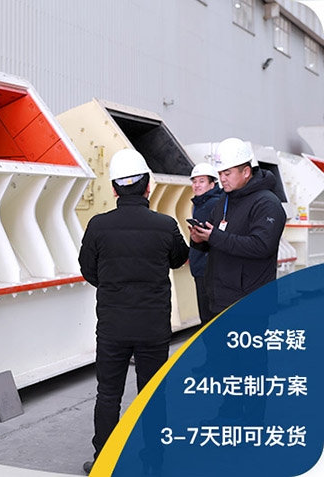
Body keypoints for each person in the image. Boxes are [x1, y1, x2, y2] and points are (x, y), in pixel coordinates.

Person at [79, 148, 189, 475]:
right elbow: (179, 259)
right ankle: (154, 460)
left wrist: (113, 286)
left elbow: (89, 271)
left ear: (114, 189)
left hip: (112, 325)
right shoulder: (165, 225)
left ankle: (104, 460)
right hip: (153, 327)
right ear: (148, 187)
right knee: (152, 394)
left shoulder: (98, 226)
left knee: (108, 394)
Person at [189, 138, 286, 315]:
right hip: (221, 299)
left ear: (246, 172)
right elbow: (216, 239)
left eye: (227, 173)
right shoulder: (224, 200)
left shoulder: (267, 203)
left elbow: (262, 246)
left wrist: (214, 236)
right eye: (220, 173)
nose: (222, 179)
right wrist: (199, 240)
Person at [188, 162, 223, 326]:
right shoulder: (200, 203)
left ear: (212, 184)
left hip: (208, 269)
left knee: (209, 318)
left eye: (202, 181)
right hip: (203, 267)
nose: (197, 185)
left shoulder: (212, 203)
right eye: (194, 181)